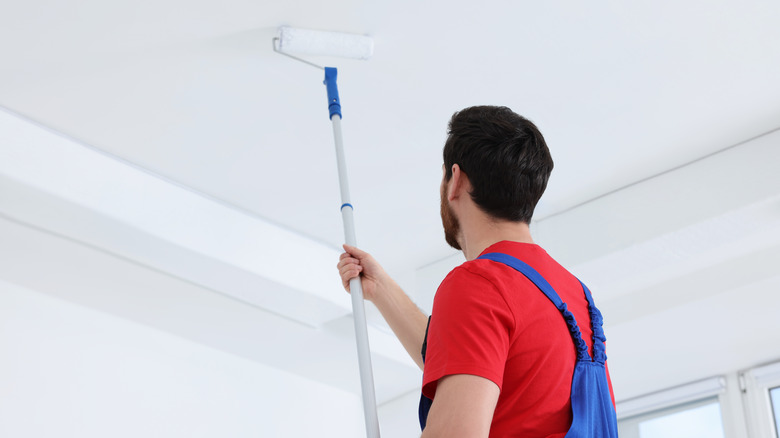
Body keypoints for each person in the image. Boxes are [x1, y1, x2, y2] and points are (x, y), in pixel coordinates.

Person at [337, 106, 616, 437]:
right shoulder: (575, 295)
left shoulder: (480, 282)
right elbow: (466, 359)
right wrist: (381, 289)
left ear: (456, 179)